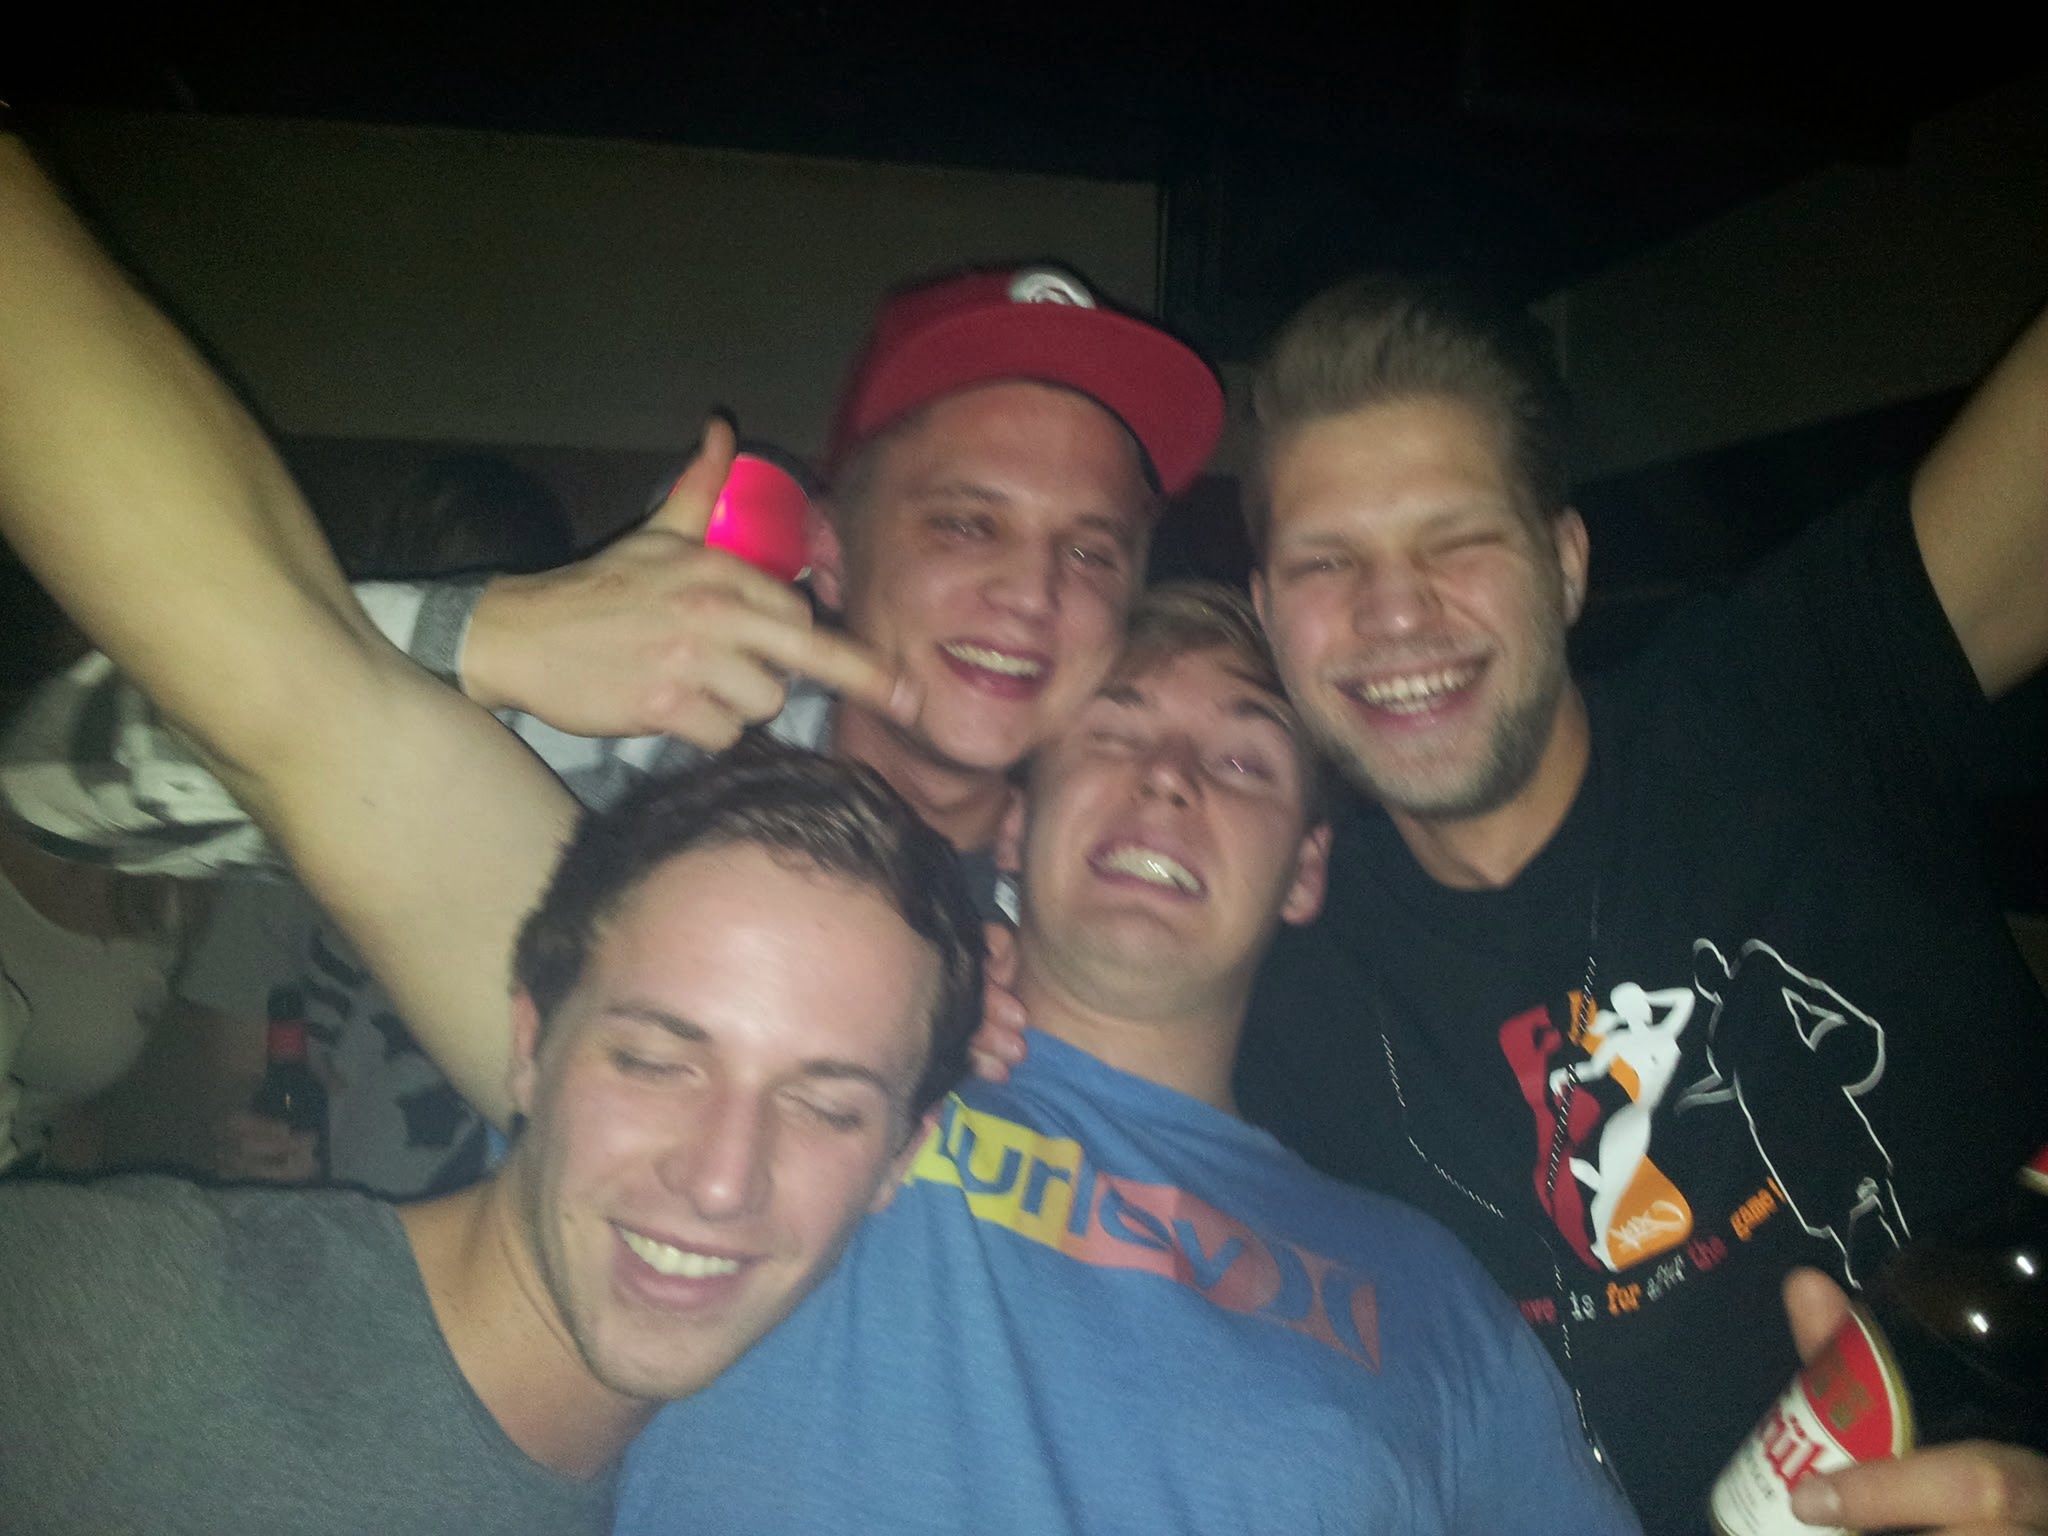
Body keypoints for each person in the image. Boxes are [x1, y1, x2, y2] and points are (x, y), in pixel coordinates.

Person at [0, 135, 1627, 1533]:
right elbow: (73, 772)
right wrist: (492, 636)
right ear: (829, 551)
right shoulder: (643, 762)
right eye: (966, 523)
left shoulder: (1046, 947)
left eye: (1090, 552)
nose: (1030, 595)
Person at [1228, 274, 2048, 1533]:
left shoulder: (1790, 702)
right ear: (1265, 616)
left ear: (1563, 566)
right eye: (1325, 561)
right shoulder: (1272, 981)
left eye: (1456, 539)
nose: (1393, 610)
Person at [617, 584, 1640, 1534]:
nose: (1167, 777)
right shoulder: (793, 1060)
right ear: (1016, 825)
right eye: (1112, 734)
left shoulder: (1425, 1294)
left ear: (1304, 870)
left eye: (1241, 764)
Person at [0, 742, 986, 1535]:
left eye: (826, 1107)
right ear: (530, 1045)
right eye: (653, 1061)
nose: (722, 1180)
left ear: (899, 1157)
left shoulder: (715, 1482)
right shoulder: (139, 1326)